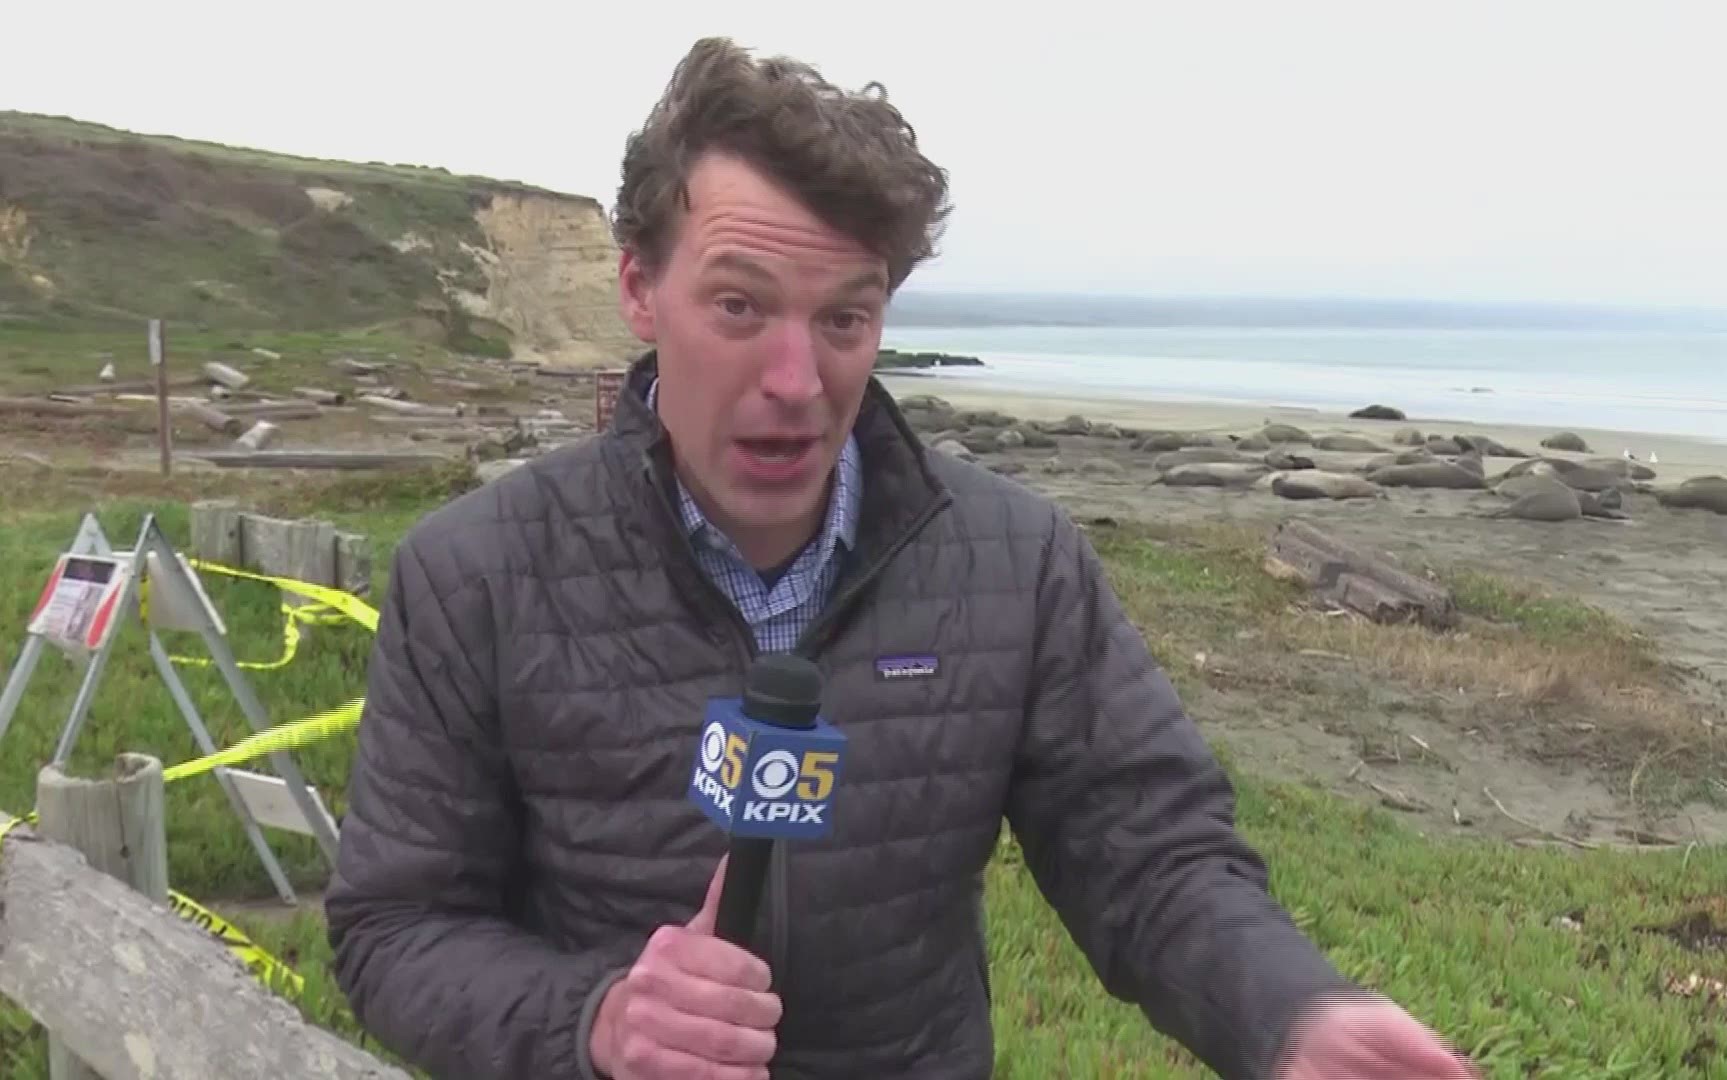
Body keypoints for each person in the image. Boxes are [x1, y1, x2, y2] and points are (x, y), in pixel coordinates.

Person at [323, 35, 1477, 1080]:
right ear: (639, 288)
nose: (797, 380)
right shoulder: (473, 573)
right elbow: (394, 929)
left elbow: (1149, 855)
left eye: (845, 319)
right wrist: (602, 1020)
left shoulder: (1014, 564)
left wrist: (1289, 1014)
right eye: (739, 306)